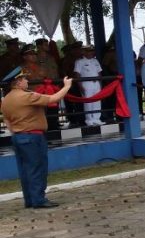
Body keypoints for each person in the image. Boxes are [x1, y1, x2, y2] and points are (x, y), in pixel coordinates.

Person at [1, 68, 73, 208]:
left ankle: (30, 199)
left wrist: (18, 130)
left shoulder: (6, 100)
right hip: (33, 137)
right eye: (24, 79)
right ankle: (39, 200)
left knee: (25, 170)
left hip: (18, 137)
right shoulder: (26, 96)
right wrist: (67, 86)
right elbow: (54, 98)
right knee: (37, 168)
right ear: (18, 83)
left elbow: (8, 122)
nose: (27, 81)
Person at [74, 46, 104, 126]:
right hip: (86, 83)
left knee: (97, 101)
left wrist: (100, 84)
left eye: (92, 51)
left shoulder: (95, 61)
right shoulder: (79, 61)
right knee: (88, 102)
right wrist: (80, 85)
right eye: (89, 51)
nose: (91, 52)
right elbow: (77, 74)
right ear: (84, 52)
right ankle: (89, 120)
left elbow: (99, 73)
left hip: (96, 83)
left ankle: (97, 119)